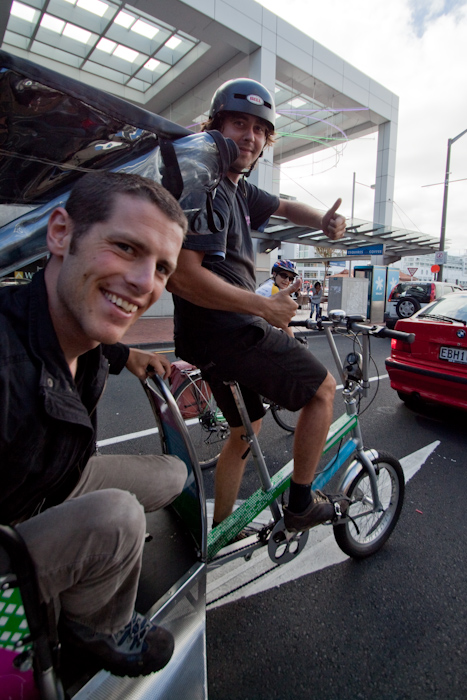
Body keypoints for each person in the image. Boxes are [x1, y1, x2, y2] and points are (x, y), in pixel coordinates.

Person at [0, 171, 189, 678]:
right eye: (126, 248)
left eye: (162, 269)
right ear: (60, 233)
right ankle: (96, 626)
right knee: (119, 516)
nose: (146, 283)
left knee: (174, 475)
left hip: (53, 477)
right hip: (8, 536)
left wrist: (128, 354)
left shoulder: (79, 328)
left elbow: (101, 336)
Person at [168, 77, 348, 534]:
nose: (249, 136)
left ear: (267, 141)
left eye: (260, 129)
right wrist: (263, 308)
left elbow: (286, 207)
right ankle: (302, 503)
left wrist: (322, 220)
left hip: (212, 335)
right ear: (216, 126)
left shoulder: (238, 189)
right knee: (323, 391)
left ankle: (223, 528)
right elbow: (183, 277)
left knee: (245, 432)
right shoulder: (207, 185)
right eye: (238, 124)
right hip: (230, 332)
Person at [256, 260, 299, 337]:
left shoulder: (268, 284)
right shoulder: (274, 290)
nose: (287, 281)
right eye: (283, 276)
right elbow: (285, 324)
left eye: (291, 278)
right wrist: (294, 342)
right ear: (274, 274)